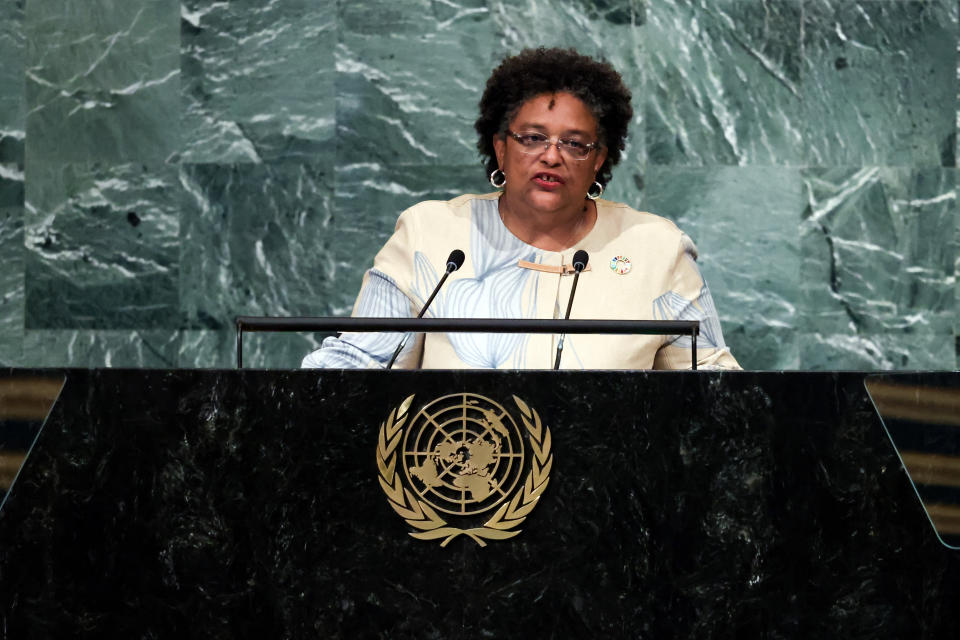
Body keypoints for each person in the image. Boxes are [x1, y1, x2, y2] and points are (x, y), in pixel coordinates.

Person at [302, 48, 740, 370]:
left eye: (574, 143)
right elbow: (359, 362)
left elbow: (716, 390)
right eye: (532, 138)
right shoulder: (430, 235)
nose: (552, 156)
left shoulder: (655, 250)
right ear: (500, 148)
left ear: (599, 160)